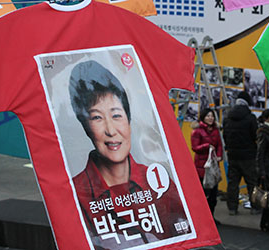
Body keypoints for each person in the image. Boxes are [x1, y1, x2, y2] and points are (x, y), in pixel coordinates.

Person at [68, 60, 187, 249]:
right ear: (85, 126)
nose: (110, 130)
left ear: (129, 120)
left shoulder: (158, 181)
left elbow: (184, 237)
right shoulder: (74, 194)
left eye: (116, 115)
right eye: (97, 117)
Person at [222, 91, 259, 215]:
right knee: (252, 182)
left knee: (233, 183)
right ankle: (255, 207)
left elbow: (225, 136)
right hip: (248, 156)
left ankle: (232, 208)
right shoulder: (250, 118)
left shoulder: (227, 118)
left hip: (232, 155)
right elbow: (255, 135)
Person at [190, 108, 223, 224]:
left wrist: (219, 156)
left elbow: (219, 145)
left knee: (213, 195)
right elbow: (195, 148)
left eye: (212, 116)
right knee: (202, 195)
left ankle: (211, 217)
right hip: (201, 166)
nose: (210, 118)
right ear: (203, 117)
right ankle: (199, 218)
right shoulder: (197, 131)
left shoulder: (215, 130)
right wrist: (207, 146)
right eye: (208, 116)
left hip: (213, 167)